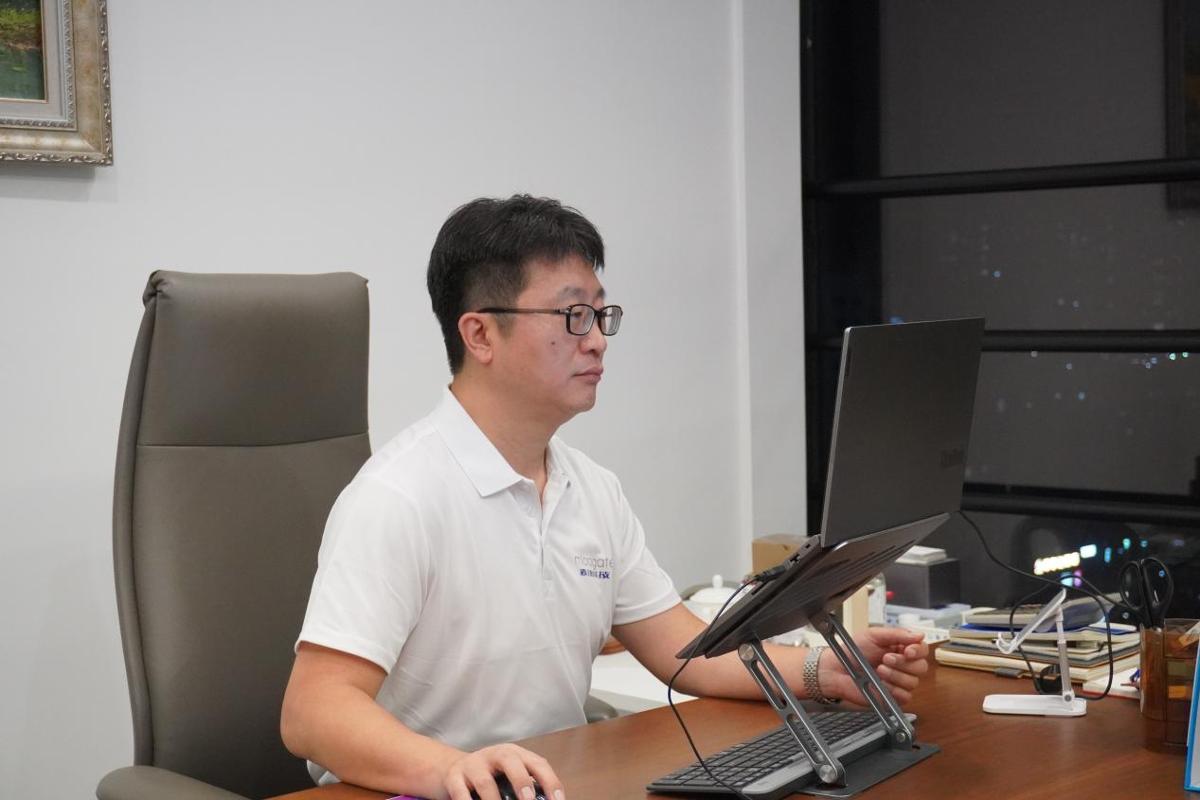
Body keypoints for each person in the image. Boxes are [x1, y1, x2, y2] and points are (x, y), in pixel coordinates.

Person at [280, 195, 929, 800]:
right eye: (572, 316)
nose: (596, 339)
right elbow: (312, 713)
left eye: (599, 314)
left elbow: (687, 654)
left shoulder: (590, 488)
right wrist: (451, 767)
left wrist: (822, 671)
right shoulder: (398, 497)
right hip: (419, 788)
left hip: (549, 782)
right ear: (479, 335)